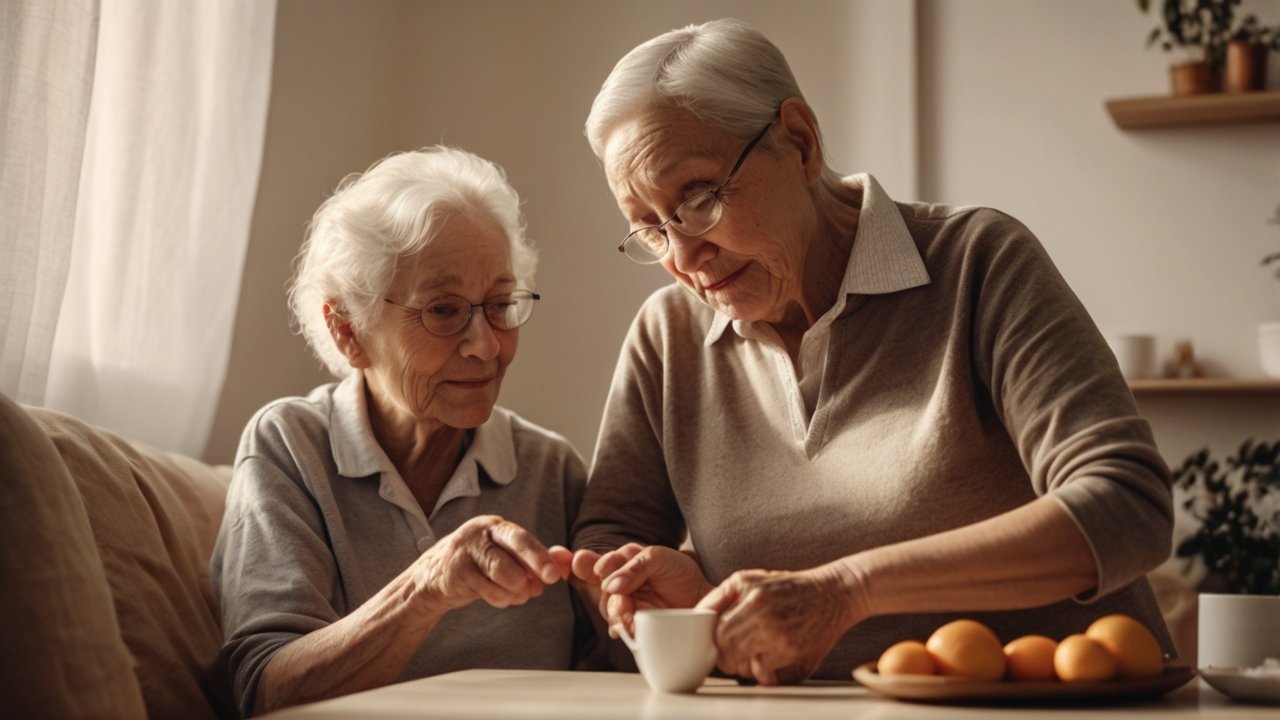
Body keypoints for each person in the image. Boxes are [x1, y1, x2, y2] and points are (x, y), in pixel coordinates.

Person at [569, 19, 1176, 686]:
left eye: (700, 198)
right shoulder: (668, 336)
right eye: (651, 229)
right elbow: (606, 541)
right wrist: (675, 610)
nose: (683, 257)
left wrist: (850, 589)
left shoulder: (977, 262)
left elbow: (1126, 505)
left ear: (799, 142)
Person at [211, 146, 596, 716]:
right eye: (443, 311)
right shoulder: (290, 445)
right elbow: (261, 687)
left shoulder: (551, 469)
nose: (486, 345)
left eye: (499, 305)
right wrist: (429, 587)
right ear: (348, 330)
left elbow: (603, 671)